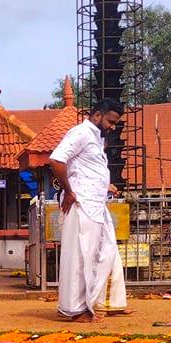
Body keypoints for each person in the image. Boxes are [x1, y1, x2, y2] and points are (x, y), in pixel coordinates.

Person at [48, 100, 125, 322]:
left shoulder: (96, 138)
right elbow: (57, 160)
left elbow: (86, 169)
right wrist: (68, 191)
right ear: (97, 115)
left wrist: (105, 185)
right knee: (80, 257)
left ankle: (103, 302)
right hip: (81, 203)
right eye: (110, 121)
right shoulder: (80, 132)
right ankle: (75, 309)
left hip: (96, 204)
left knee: (106, 253)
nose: (112, 127)